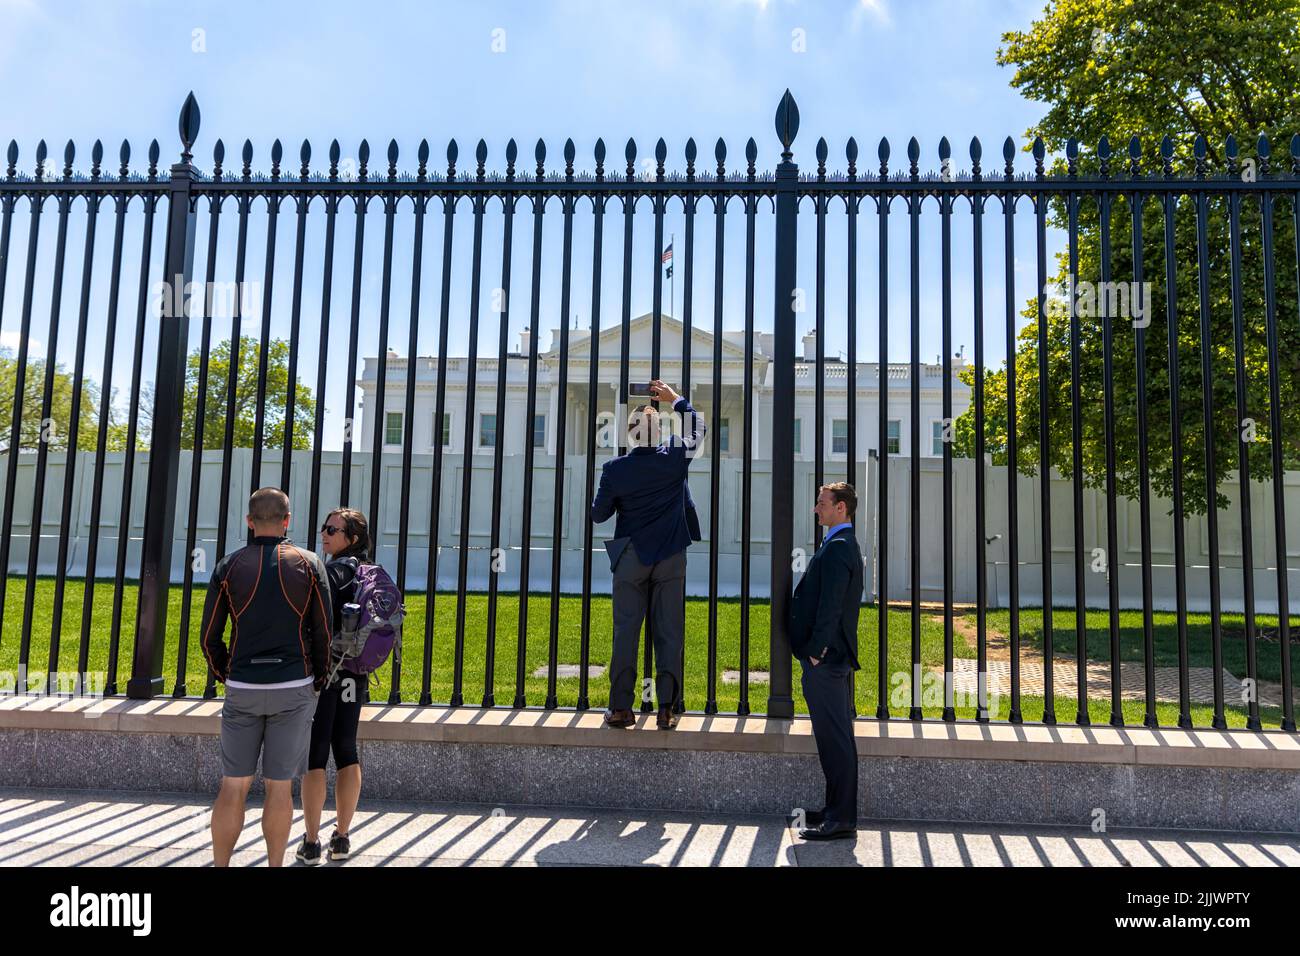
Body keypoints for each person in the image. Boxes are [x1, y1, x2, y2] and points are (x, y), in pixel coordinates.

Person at [200, 487, 333, 866]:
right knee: (279, 788)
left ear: (249, 521)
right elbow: (323, 630)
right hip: (293, 686)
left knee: (233, 786)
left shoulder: (228, 566)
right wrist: (317, 677)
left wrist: (226, 672)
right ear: (287, 521)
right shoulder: (309, 563)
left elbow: (209, 636)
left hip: (243, 685)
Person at [591, 379, 706, 729]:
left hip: (631, 558)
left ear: (630, 435)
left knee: (626, 631)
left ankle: (621, 708)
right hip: (670, 555)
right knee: (669, 631)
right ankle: (668, 708)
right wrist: (676, 400)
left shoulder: (615, 470)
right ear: (659, 434)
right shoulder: (673, 456)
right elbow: (699, 428)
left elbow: (599, 515)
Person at [296, 507, 372, 865]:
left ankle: (311, 842)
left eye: (332, 529)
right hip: (354, 672)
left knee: (316, 752)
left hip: (326, 672)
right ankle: (341, 838)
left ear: (351, 539)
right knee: (346, 748)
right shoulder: (369, 572)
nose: (324, 534)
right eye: (323, 527)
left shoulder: (332, 571)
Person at [788, 482, 863, 841]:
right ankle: (835, 809)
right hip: (829, 660)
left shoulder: (838, 547)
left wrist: (816, 652)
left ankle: (842, 817)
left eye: (821, 503)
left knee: (836, 740)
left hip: (827, 661)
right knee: (833, 738)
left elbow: (831, 607)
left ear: (841, 508)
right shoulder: (837, 543)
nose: (816, 509)